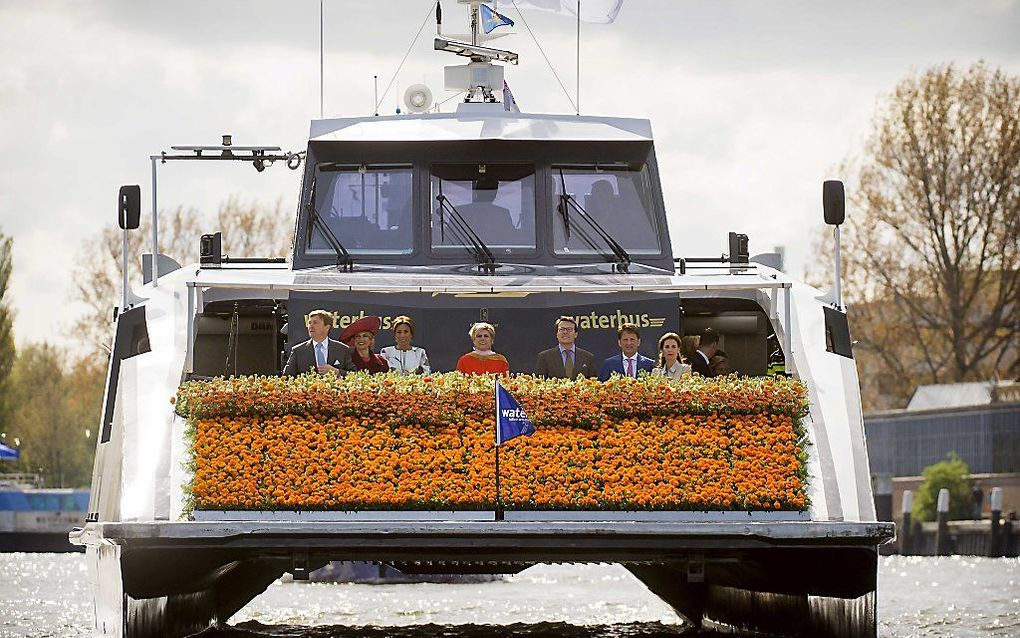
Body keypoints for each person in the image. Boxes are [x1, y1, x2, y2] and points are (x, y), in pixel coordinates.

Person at [283, 309, 356, 376]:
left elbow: (354, 375)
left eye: (315, 323)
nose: (310, 326)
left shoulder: (342, 349)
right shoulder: (298, 351)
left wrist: (336, 371)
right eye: (309, 323)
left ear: (327, 327)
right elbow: (286, 376)